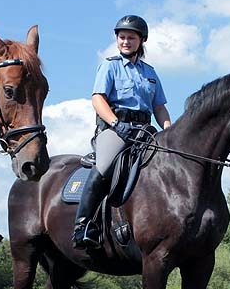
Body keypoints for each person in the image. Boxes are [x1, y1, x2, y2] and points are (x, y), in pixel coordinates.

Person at [72, 15, 171, 249]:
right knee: (105, 166)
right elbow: (98, 99)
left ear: (141, 41)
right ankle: (83, 225)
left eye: (131, 38)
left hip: (145, 129)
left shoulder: (150, 72)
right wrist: (116, 123)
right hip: (116, 129)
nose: (126, 41)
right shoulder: (110, 65)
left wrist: (168, 131)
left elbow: (159, 107)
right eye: (122, 37)